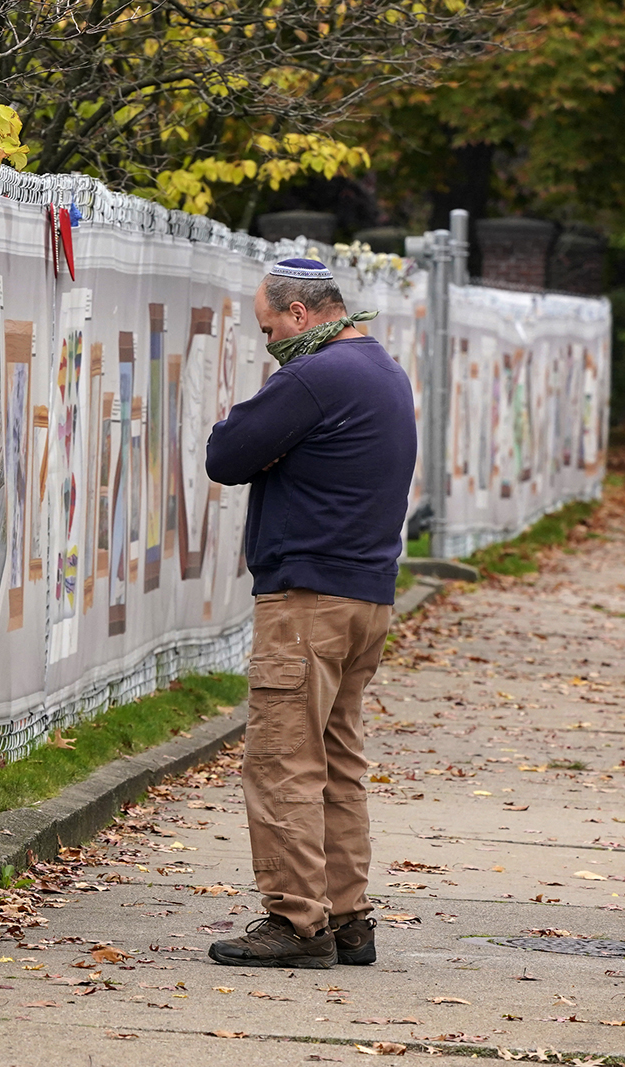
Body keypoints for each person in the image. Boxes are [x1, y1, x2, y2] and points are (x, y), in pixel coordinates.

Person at [202, 258, 416, 969]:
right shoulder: (383, 370)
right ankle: (350, 916)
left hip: (306, 601)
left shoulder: (314, 377)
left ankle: (297, 922)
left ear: (300, 315)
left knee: (282, 761)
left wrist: (243, 424)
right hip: (366, 596)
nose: (268, 343)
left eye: (269, 327)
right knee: (337, 761)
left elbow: (228, 453)